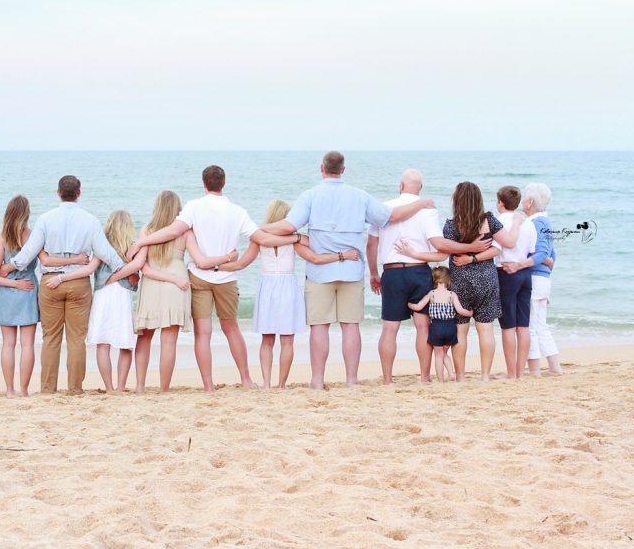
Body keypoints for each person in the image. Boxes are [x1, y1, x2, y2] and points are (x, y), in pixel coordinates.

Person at [259, 152, 435, 389]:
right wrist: (421, 203)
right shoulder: (359, 196)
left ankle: (317, 381)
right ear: (343, 170)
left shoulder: (310, 195)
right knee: (350, 325)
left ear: (322, 168)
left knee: (320, 327)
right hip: (351, 270)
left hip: (320, 273)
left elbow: (288, 226)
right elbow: (391, 217)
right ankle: (351, 380)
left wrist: (256, 229)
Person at [127, 166, 299, 392]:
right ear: (224, 183)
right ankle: (246, 380)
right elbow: (262, 240)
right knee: (232, 329)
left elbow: (171, 232)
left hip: (199, 277)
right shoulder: (238, 211)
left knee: (203, 334)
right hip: (226, 278)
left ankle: (208, 385)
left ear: (204, 183)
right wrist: (294, 238)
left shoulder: (193, 207)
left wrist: (140, 242)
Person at [194, 200, 355, 389]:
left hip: (268, 286)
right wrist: (342, 255)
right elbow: (315, 257)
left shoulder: (259, 239)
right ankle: (281, 385)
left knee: (267, 340)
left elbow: (240, 264)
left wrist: (212, 265)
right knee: (287, 341)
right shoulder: (295, 239)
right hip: (288, 286)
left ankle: (267, 384)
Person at [0, 175, 129, 395]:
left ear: (58, 193)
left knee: (50, 338)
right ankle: (75, 388)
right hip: (79, 282)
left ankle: (48, 388)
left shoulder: (46, 219)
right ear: (79, 193)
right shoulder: (90, 221)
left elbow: (28, 252)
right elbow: (106, 254)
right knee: (77, 339)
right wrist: (124, 269)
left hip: (51, 282)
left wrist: (9, 267)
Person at [366, 169, 490, 384]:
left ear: (401, 185)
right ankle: (424, 377)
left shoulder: (383, 208)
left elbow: (371, 244)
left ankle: (387, 379)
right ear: (420, 188)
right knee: (423, 327)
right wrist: (472, 247)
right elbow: (440, 246)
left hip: (392, 272)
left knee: (389, 328)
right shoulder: (427, 211)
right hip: (419, 271)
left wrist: (374, 273)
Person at [397, 181, 518, 381]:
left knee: (461, 332)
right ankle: (485, 376)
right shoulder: (490, 220)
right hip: (486, 278)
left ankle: (460, 377)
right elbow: (508, 243)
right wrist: (518, 222)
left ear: (457, 200)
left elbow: (442, 253)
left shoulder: (451, 225)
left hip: (460, 280)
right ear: (478, 199)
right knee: (486, 329)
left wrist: (414, 253)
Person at [46, 210, 142, 392]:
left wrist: (61, 278)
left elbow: (88, 270)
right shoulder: (132, 248)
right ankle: (121, 387)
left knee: (103, 344)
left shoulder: (101, 247)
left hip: (103, 296)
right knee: (125, 344)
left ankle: (109, 388)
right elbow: (137, 273)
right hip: (121, 297)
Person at [131, 191, 194, 393]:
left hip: (152, 285)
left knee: (145, 337)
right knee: (168, 341)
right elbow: (199, 259)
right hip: (177, 286)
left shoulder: (146, 231)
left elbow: (144, 268)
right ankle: (164, 389)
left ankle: (140, 386)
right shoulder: (185, 232)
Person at [0, 196, 44, 397]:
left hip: (7, 292)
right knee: (27, 344)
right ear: (26, 213)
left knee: (8, 344)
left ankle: (10, 390)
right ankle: (25, 390)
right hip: (28, 288)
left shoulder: (3, 236)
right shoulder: (33, 235)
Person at [516, 184, 561, 376]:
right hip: (543, 280)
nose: (522, 202)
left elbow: (544, 253)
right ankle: (554, 366)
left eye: (524, 198)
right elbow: (552, 255)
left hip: (535, 278)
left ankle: (535, 369)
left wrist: (522, 263)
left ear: (530, 202)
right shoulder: (545, 221)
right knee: (540, 324)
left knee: (530, 325)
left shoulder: (536, 222)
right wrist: (547, 261)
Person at [494, 186, 537, 379]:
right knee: (523, 325)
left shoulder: (499, 221)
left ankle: (511, 373)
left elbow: (494, 247)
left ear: (500, 203)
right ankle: (520, 372)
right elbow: (532, 250)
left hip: (505, 273)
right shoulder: (527, 223)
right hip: (524, 271)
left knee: (508, 326)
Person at [407, 267, 473, 383]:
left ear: (435, 279)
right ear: (448, 280)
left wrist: (408, 304)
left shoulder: (431, 294)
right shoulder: (452, 295)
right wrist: (470, 313)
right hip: (450, 327)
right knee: (444, 352)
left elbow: (418, 307)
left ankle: (441, 380)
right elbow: (460, 310)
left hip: (436, 327)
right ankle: (451, 373)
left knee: (438, 355)